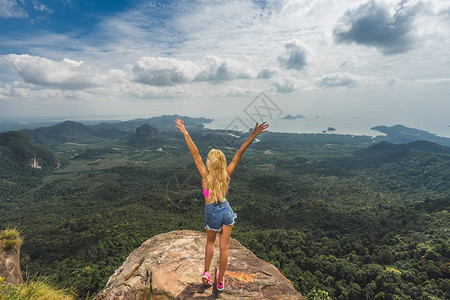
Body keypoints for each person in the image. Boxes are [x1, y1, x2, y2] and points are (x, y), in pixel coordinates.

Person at [175, 117, 269, 291]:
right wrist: (253, 135)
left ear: (210, 163)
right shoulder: (227, 174)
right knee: (224, 248)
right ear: (222, 163)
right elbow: (240, 152)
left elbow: (195, 153)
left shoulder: (205, 176)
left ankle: (206, 273)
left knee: (210, 243)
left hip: (211, 212)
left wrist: (185, 132)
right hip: (226, 210)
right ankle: (220, 281)